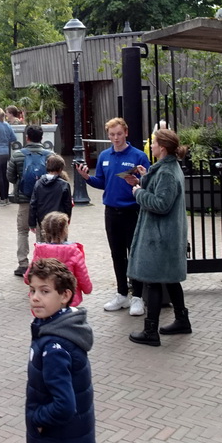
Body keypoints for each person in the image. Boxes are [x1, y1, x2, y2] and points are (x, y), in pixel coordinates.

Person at [25, 258, 95, 443]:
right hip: (53, 438)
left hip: (62, 439)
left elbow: (65, 404)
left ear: (64, 296)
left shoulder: (56, 345)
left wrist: (38, 418)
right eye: (32, 290)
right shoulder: (50, 329)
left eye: (45, 291)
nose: (35, 297)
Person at [75, 117, 150, 315]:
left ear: (126, 133)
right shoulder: (104, 156)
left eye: (119, 134)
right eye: (112, 135)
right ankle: (122, 293)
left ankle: (138, 297)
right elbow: (101, 181)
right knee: (117, 254)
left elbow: (149, 182)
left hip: (132, 211)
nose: (115, 138)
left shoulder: (139, 156)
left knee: (134, 254)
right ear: (108, 136)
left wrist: (139, 181)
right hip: (111, 212)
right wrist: (87, 178)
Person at [124, 128, 191, 346]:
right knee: (170, 279)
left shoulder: (167, 172)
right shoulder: (169, 168)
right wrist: (145, 179)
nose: (150, 145)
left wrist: (137, 192)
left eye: (152, 142)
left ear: (162, 147)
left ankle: (151, 331)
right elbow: (163, 194)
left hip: (160, 237)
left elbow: (161, 204)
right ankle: (182, 320)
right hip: (168, 235)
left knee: (152, 279)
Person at [8, 125, 53, 278]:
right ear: (42, 138)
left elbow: (10, 177)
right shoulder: (49, 155)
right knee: (42, 232)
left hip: (25, 200)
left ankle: (23, 264)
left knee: (22, 231)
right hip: (44, 201)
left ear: (27, 137)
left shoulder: (17, 155)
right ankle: (41, 263)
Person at [25, 212, 92, 308]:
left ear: (45, 230)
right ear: (65, 230)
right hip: (68, 299)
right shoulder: (73, 251)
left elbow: (28, 278)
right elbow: (82, 276)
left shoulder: (40, 251)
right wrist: (87, 289)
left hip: (45, 300)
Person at [29, 155, 74, 235]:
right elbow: (68, 205)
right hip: (59, 219)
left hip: (43, 219)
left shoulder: (38, 183)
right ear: (61, 169)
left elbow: (33, 204)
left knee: (43, 242)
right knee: (60, 241)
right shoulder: (64, 185)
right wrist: (67, 219)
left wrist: (32, 223)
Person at [0, 107, 17, 206]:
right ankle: (6, 198)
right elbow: (14, 137)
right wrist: (6, 142)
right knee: (5, 175)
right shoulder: (7, 125)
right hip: (6, 152)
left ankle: (2, 199)